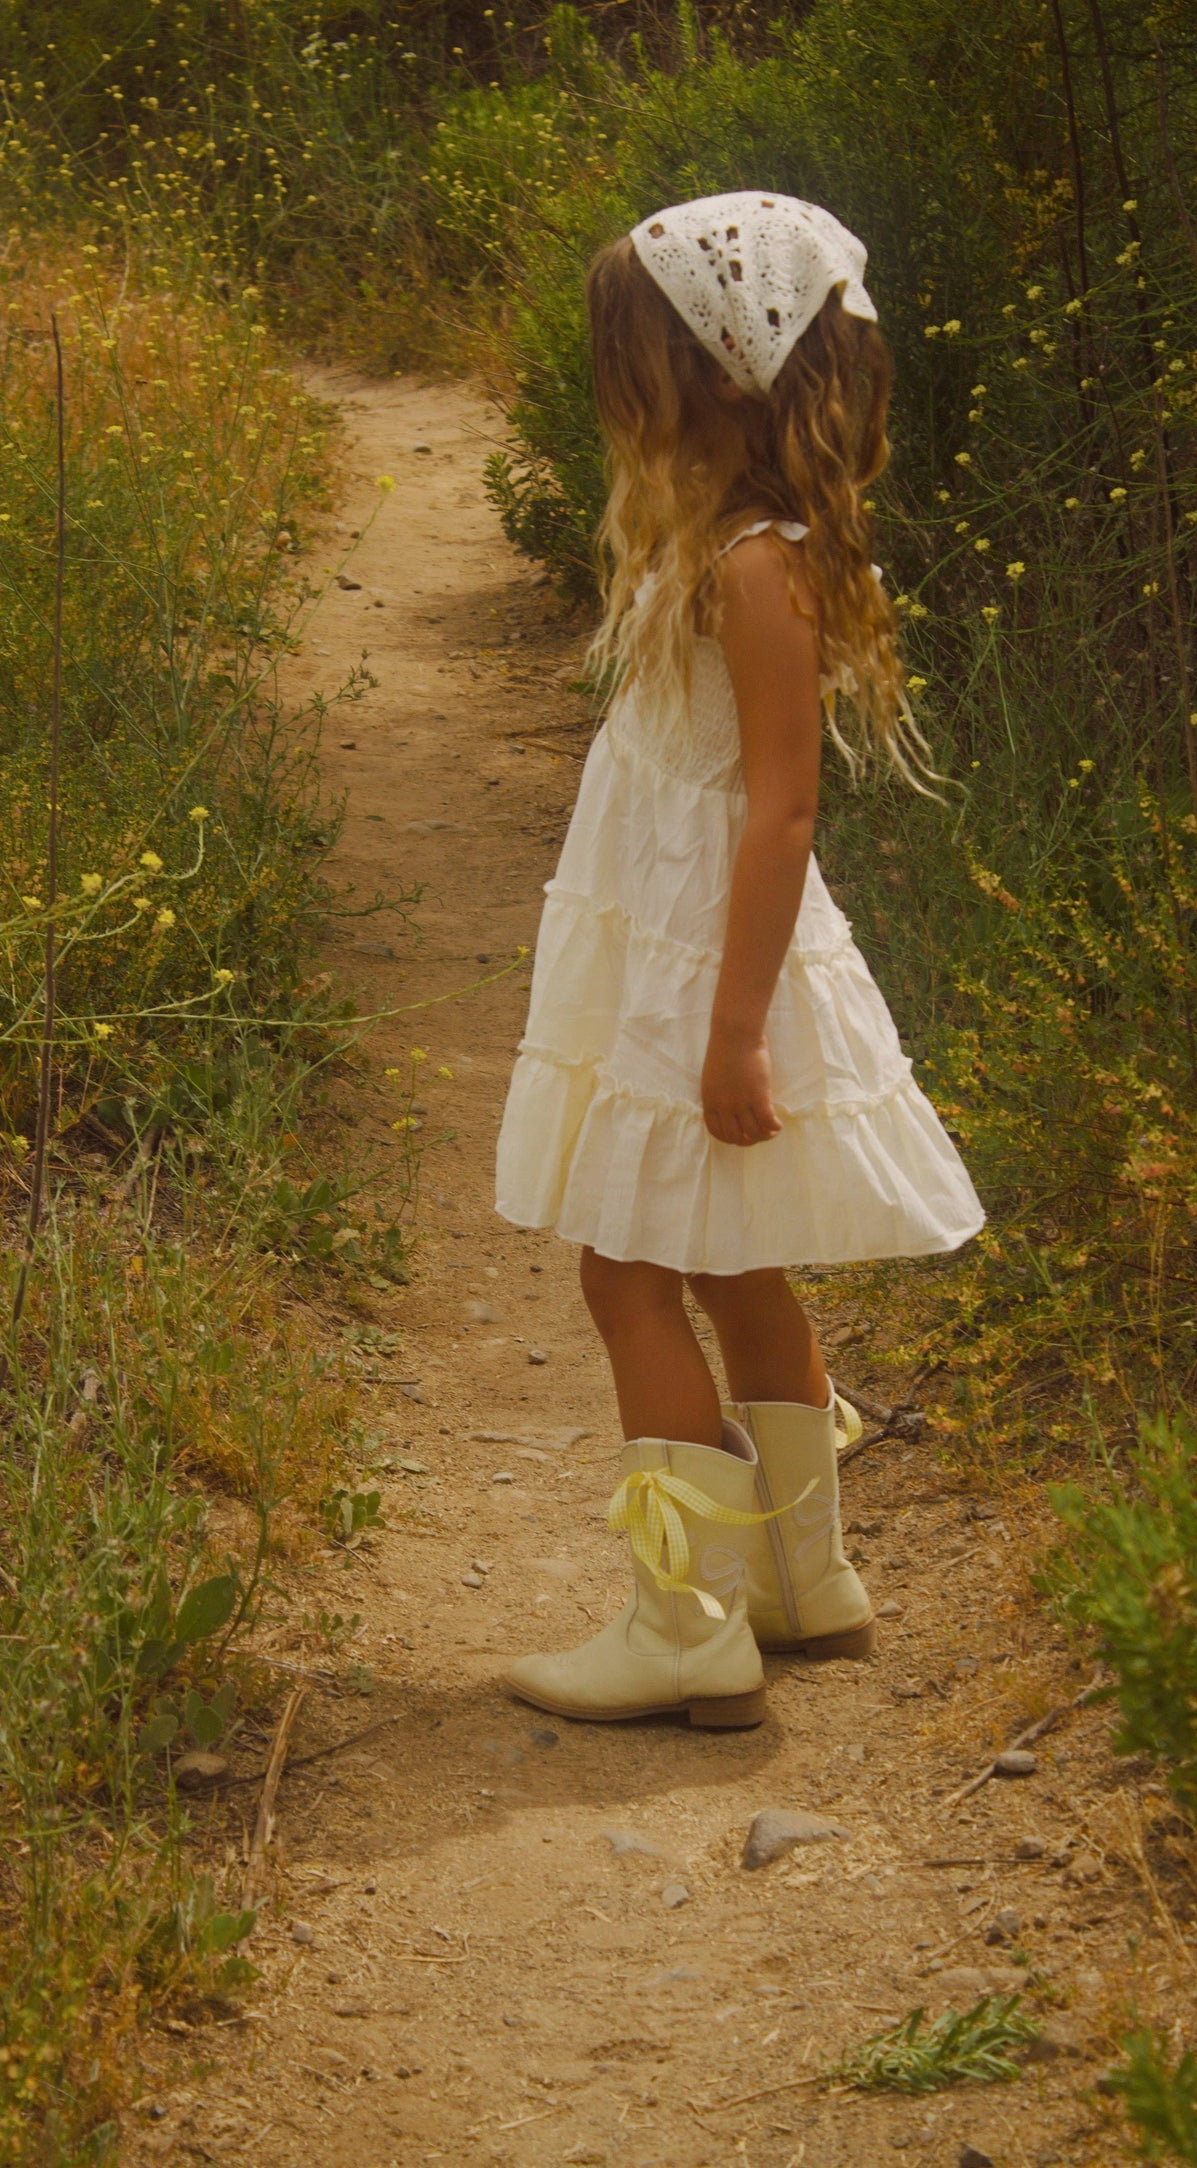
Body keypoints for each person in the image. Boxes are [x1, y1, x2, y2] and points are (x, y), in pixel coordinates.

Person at [494, 192, 983, 1729]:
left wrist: (735, 1033)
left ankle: (683, 1620)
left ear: (717, 369)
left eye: (632, 355)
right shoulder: (714, 535)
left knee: (624, 1263)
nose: (611, 385)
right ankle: (799, 1583)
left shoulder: (757, 564)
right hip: (673, 935)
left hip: (704, 959)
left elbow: (779, 809)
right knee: (725, 1256)